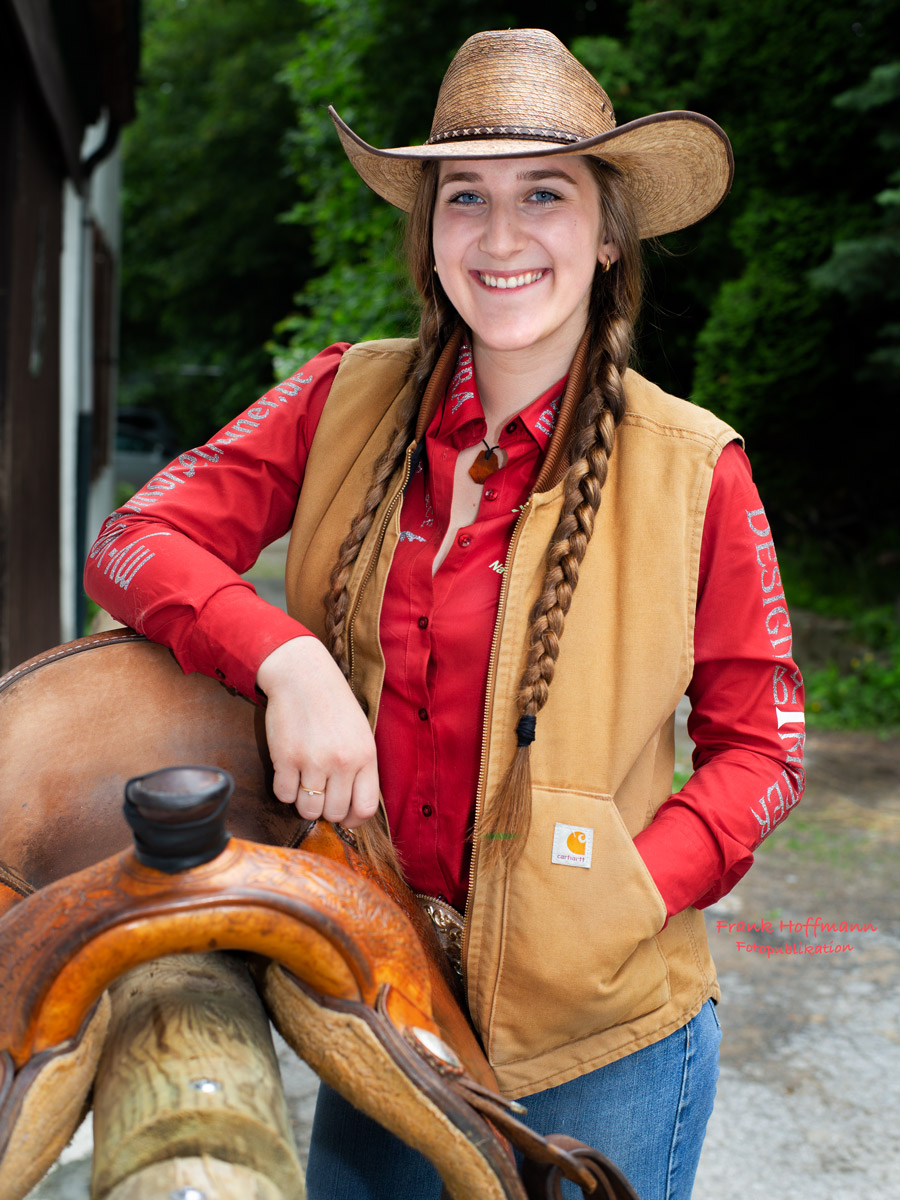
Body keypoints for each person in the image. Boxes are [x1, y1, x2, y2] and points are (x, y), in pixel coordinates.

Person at [86, 28, 804, 1200]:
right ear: (428, 231)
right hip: (385, 1011)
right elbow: (130, 543)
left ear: (609, 231)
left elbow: (762, 748)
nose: (503, 235)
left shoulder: (694, 469)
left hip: (606, 1050)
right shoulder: (339, 398)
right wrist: (289, 661)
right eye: (465, 196)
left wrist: (620, 894)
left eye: (544, 194)